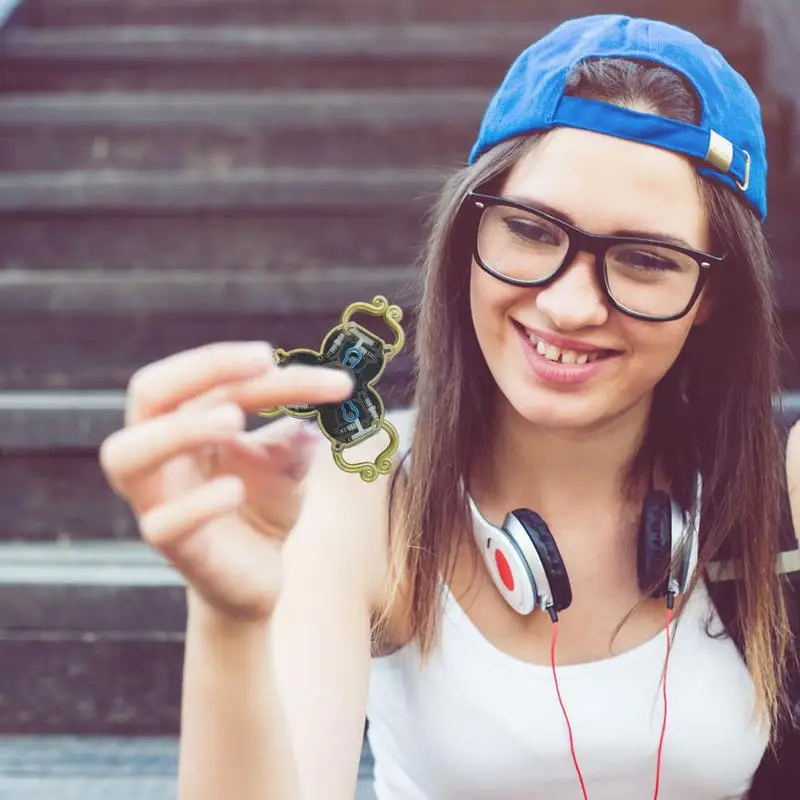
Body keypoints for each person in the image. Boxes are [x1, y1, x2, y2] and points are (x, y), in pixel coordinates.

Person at [99, 14, 800, 800]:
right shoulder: (360, 490)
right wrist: (230, 618)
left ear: (712, 296)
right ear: (471, 229)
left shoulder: (781, 481)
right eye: (532, 232)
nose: (569, 307)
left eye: (643, 260)